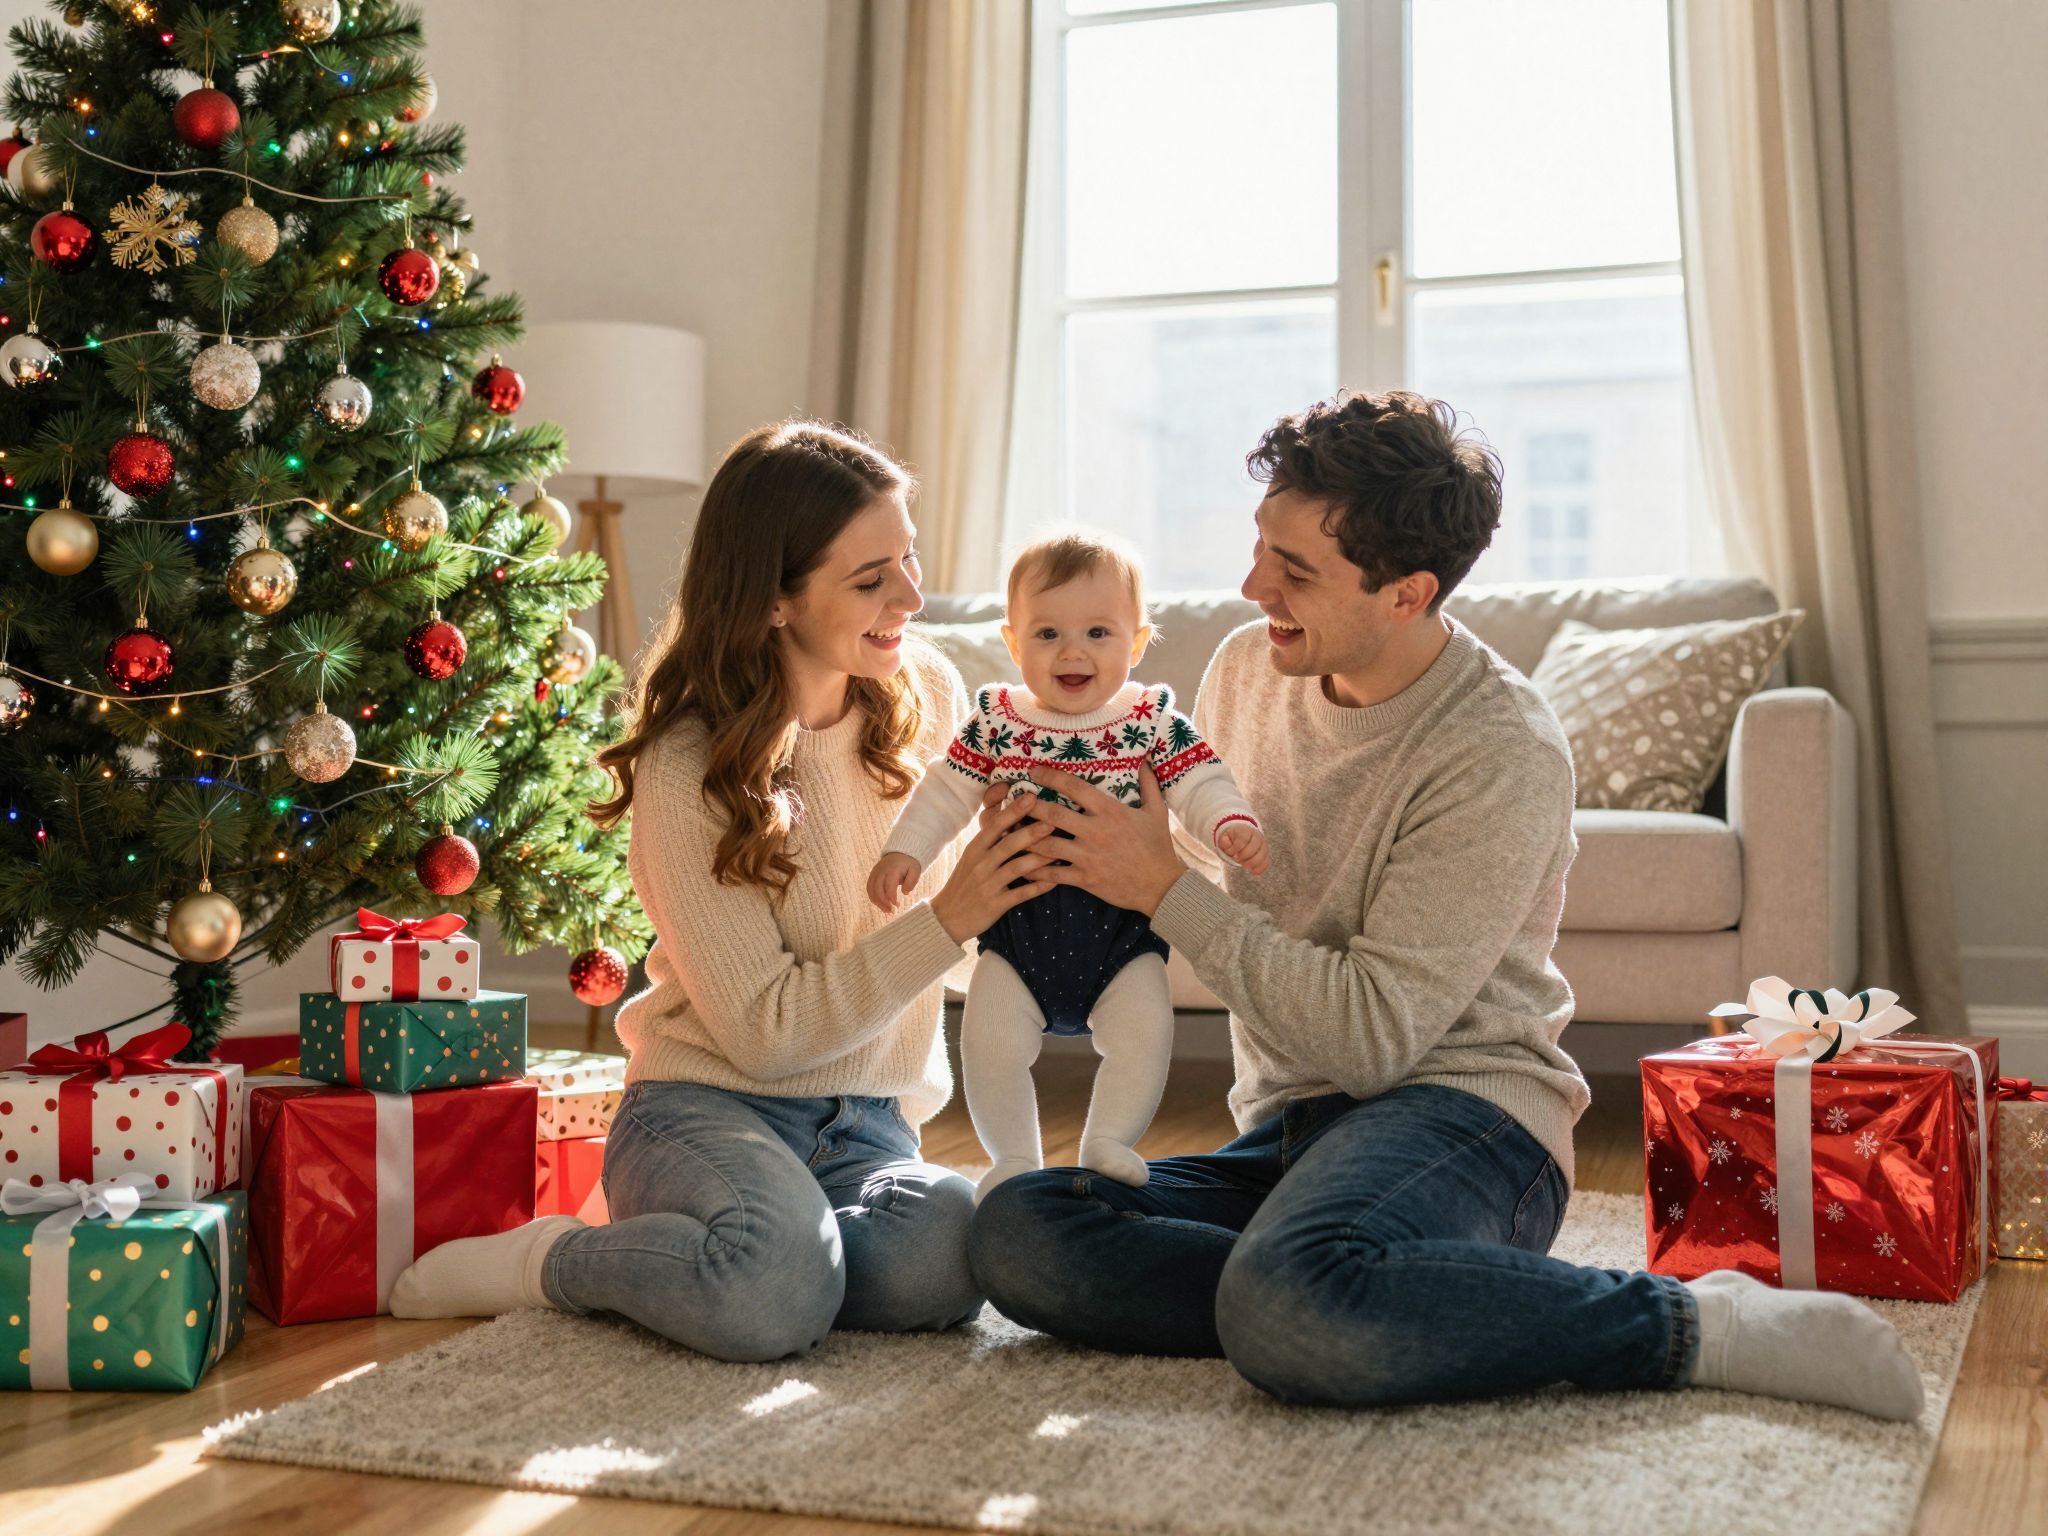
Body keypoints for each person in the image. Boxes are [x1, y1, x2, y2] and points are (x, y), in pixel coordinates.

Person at [967, 391, 1925, 1422]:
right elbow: (1199, 851)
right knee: (1020, 1229)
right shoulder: (1250, 666)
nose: (1252, 589)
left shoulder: (1497, 747)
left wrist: (1154, 886)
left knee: (1291, 1299)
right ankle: (1347, 1292)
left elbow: (1376, 1039)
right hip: (1291, 1130)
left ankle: (1688, 1322)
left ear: (1405, 593)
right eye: (1260, 549)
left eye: (1294, 572)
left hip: (1467, 1120)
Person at [390, 419, 1058, 1360]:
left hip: (867, 1122)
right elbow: (766, 1036)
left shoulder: (932, 695)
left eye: (908, 558)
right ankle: (556, 1261)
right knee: (768, 1299)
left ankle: (777, 1259)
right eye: (871, 579)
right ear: (775, 600)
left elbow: (973, 930)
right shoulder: (688, 762)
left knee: (949, 1255)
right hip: (709, 1106)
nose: (911, 595)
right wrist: (952, 918)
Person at [868, 530, 1266, 1202]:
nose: (1073, 650)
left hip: (1121, 934)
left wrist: (1228, 823)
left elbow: (1201, 780)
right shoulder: (997, 722)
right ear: (1013, 641)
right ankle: (1015, 1154)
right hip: (1018, 932)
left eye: (1099, 633)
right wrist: (907, 850)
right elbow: (945, 790)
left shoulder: (1149, 721)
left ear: (1137, 644)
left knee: (1143, 1038)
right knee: (991, 1047)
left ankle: (1107, 1140)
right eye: (1047, 633)